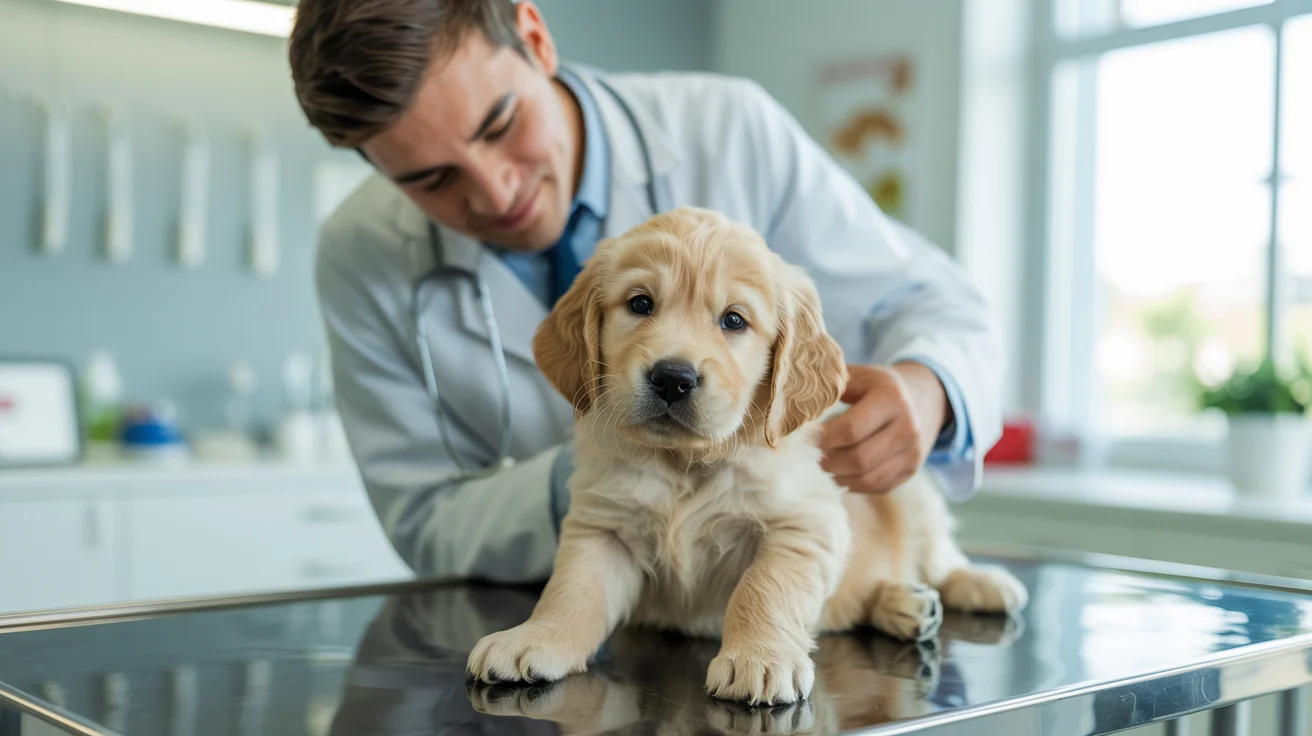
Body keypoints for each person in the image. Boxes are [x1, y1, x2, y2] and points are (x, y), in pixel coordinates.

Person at [288, 0, 1004, 584]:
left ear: (535, 37)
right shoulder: (361, 254)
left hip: (770, 586)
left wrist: (928, 389)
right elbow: (425, 520)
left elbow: (936, 302)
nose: (496, 190)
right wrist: (608, 467)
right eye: (430, 179)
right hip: (548, 622)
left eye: (502, 124)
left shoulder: (729, 128)